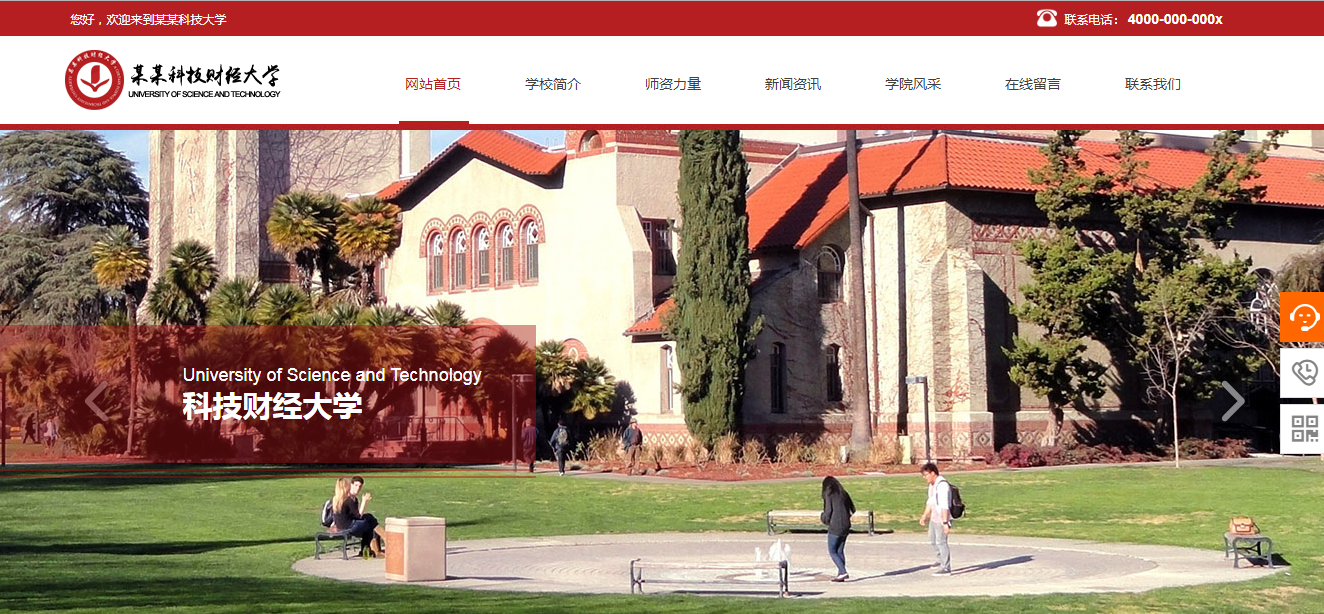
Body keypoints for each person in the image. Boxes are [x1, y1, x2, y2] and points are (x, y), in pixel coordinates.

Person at [331, 476, 387, 557]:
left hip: (342, 526)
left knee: (369, 522)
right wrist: (364, 501)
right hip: (349, 527)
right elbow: (358, 516)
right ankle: (384, 538)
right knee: (369, 520)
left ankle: (368, 551)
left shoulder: (336, 499)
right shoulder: (348, 500)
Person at [919, 462, 953, 575]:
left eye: (926, 475)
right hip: (934, 517)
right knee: (933, 539)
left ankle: (946, 567)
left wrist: (945, 523)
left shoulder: (942, 486)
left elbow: (944, 505)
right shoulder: (932, 486)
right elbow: (930, 502)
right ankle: (940, 560)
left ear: (933, 473)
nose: (924, 478)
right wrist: (924, 515)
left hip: (942, 518)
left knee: (941, 542)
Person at [821, 476, 855, 582]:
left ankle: (843, 571)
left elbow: (828, 511)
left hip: (835, 526)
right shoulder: (844, 493)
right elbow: (853, 509)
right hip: (846, 525)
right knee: (839, 550)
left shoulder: (829, 494)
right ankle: (841, 573)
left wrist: (823, 518)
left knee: (832, 551)